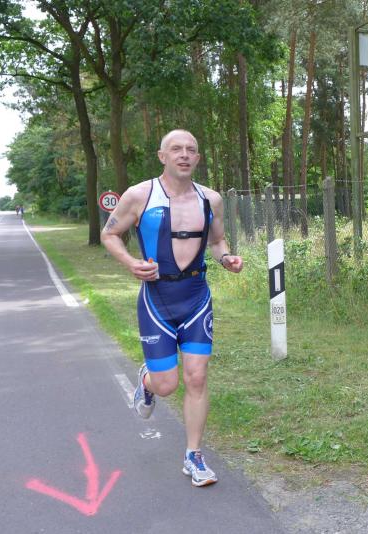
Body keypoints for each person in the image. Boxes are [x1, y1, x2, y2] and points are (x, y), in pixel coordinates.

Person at [101, 129, 244, 487]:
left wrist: (226, 257)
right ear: (162, 156)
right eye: (176, 149)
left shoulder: (211, 199)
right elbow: (109, 234)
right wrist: (131, 263)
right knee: (167, 385)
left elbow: (217, 240)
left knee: (197, 376)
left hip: (196, 297)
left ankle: (193, 455)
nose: (184, 154)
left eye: (191, 150)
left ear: (197, 158)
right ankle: (147, 381)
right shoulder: (139, 195)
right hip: (157, 300)